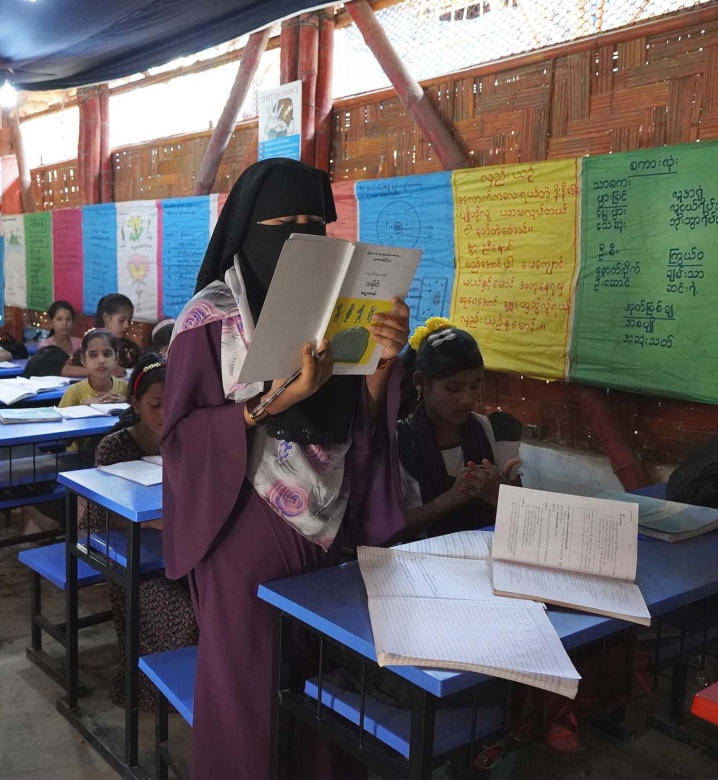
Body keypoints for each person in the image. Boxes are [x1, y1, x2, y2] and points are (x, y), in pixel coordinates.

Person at [160, 157, 409, 779]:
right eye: (283, 226)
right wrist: (273, 401)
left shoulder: (338, 310)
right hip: (242, 522)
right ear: (248, 229)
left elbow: (354, 424)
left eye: (313, 224)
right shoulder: (208, 319)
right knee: (252, 696)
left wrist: (382, 363)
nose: (301, 239)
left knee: (323, 685)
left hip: (327, 523)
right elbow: (182, 439)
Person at [83, 355, 198, 710]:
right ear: (135, 404)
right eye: (154, 405)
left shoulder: (189, 440)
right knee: (185, 612)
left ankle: (198, 689)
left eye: (171, 403)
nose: (164, 413)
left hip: (182, 546)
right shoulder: (114, 447)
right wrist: (147, 522)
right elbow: (96, 518)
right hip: (130, 553)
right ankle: (154, 692)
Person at [396, 317, 522, 539]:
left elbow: (522, 514)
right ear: (422, 382)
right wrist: (452, 497)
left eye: (475, 386)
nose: (467, 399)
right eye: (453, 388)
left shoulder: (496, 434)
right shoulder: (400, 442)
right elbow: (388, 531)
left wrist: (499, 495)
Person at [67, 293, 141, 371]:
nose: (126, 325)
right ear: (106, 318)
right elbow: (67, 369)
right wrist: (101, 371)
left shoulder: (131, 347)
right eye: (121, 320)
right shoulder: (91, 344)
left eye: (129, 321)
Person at [58, 328, 128, 408]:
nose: (101, 361)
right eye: (93, 355)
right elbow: (61, 415)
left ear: (116, 359)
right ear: (83, 360)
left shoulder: (126, 389)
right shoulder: (74, 392)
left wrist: (128, 402)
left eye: (107, 354)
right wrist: (83, 407)